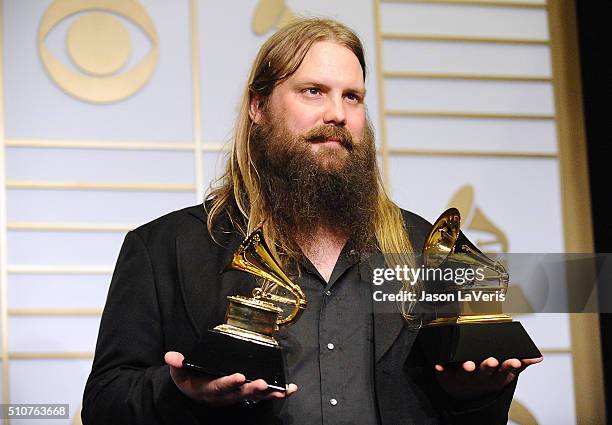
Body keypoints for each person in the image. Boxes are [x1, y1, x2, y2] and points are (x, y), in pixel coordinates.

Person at [82, 18, 542, 425]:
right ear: (257, 107)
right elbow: (105, 403)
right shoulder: (165, 246)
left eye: (353, 97)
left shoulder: (425, 246)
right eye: (313, 91)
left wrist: (476, 395)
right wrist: (180, 391)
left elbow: (470, 409)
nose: (337, 114)